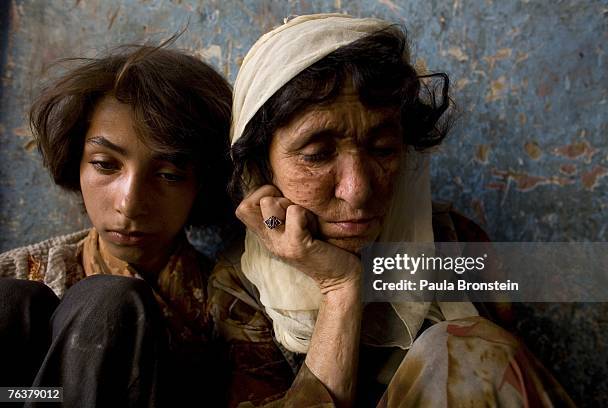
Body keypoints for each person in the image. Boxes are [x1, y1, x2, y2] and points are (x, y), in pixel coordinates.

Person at [208, 14, 574, 407]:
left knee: (463, 351)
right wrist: (340, 288)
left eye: (383, 149)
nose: (358, 190)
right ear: (261, 167)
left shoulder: (458, 248)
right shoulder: (239, 288)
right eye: (317, 155)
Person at [0, 42, 234, 406]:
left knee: (111, 304)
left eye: (169, 174)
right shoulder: (18, 273)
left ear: (201, 183)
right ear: (75, 162)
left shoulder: (235, 305)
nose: (130, 203)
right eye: (106, 164)